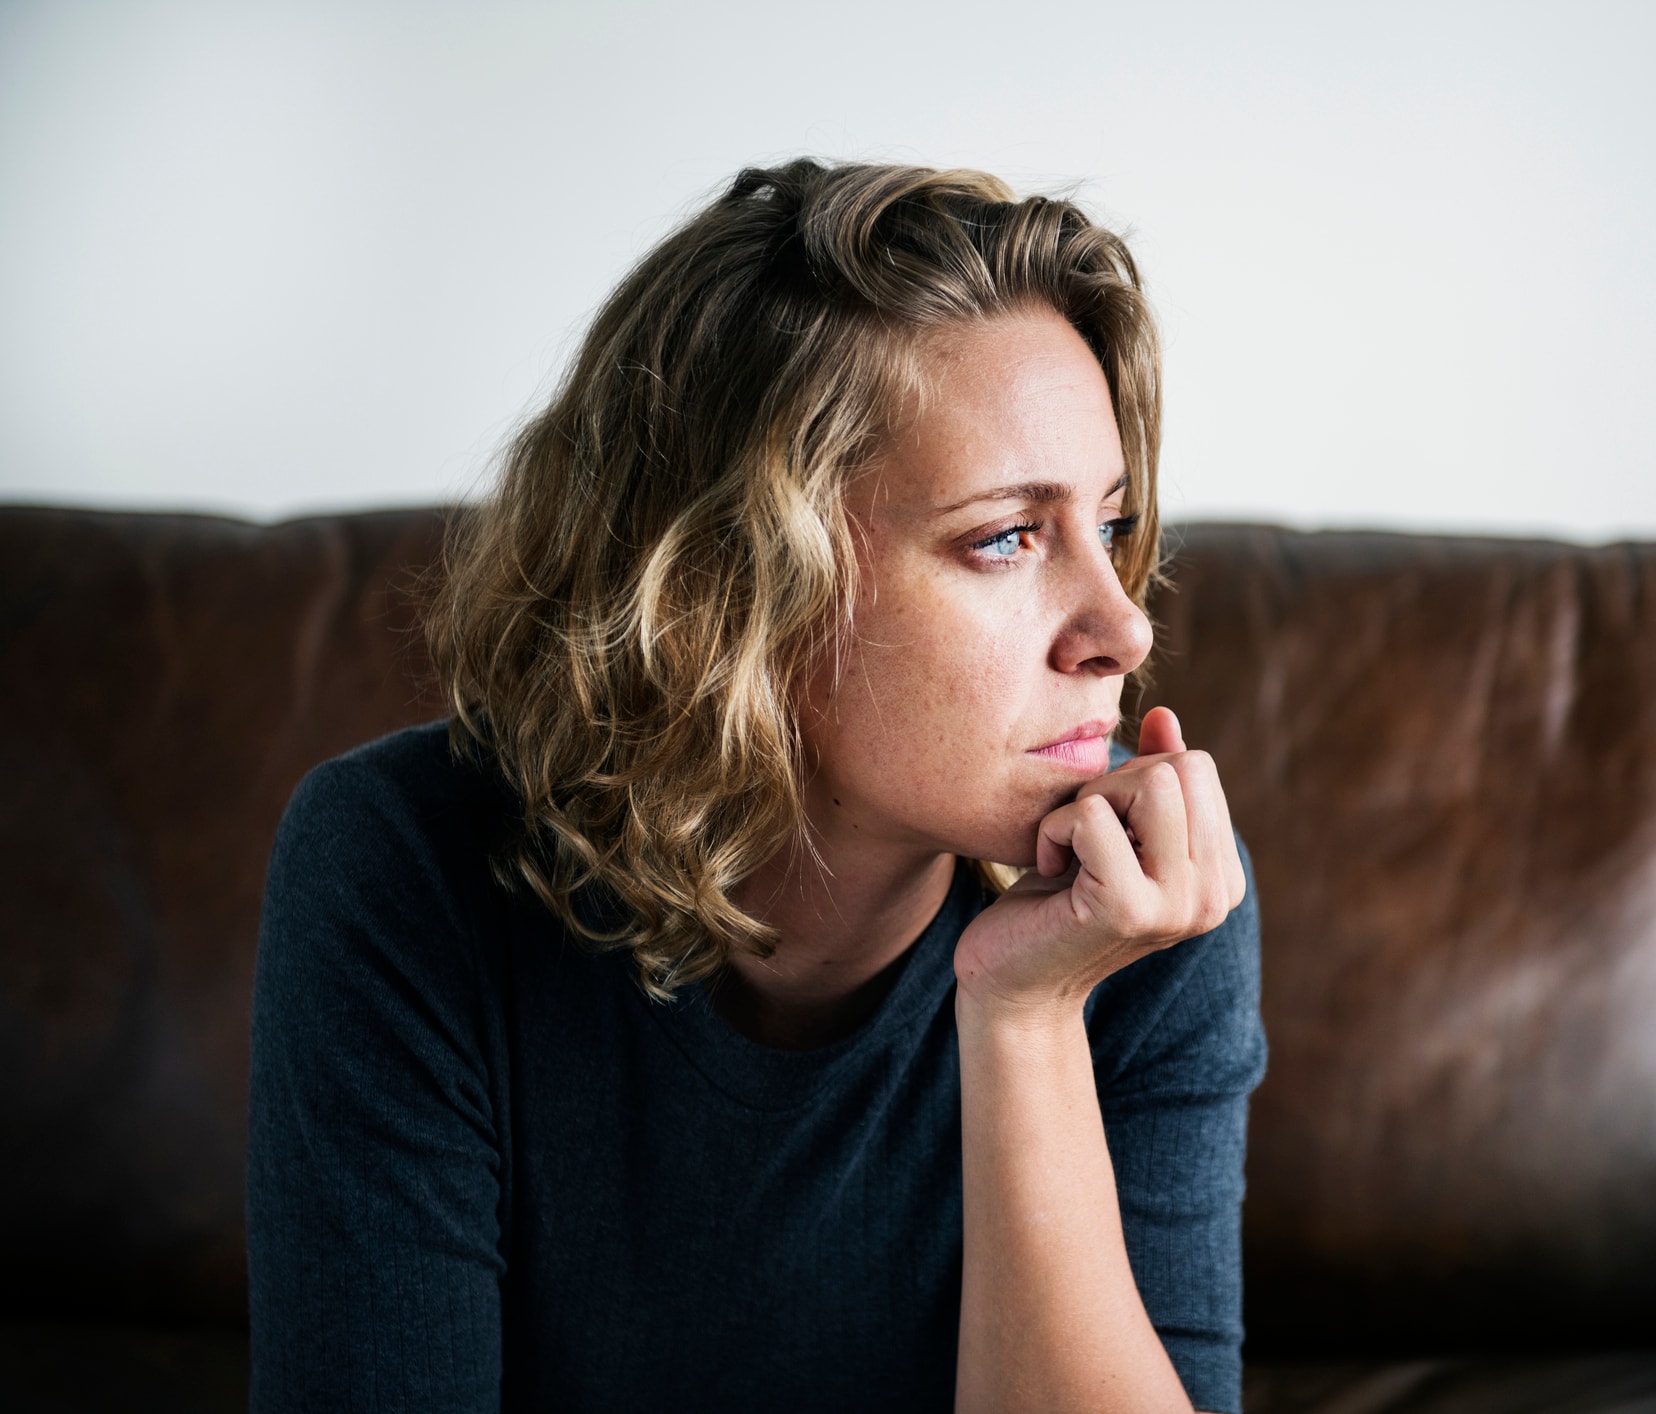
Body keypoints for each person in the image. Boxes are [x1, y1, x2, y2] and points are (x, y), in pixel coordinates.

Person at [247, 158, 1265, 1413]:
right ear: (733, 589)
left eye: (1108, 527)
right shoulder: (402, 865)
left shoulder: (1146, 902)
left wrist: (1027, 1020)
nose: (1123, 627)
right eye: (1006, 536)